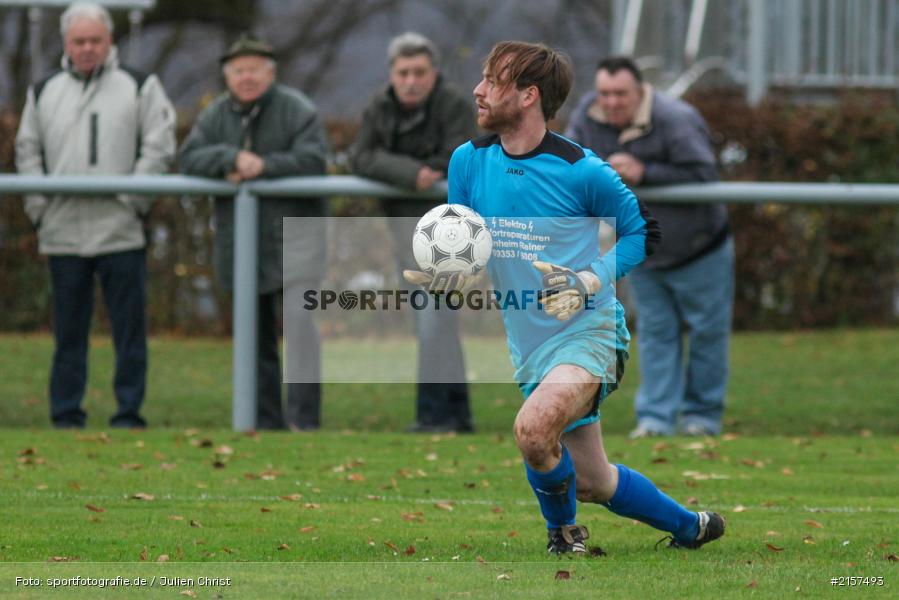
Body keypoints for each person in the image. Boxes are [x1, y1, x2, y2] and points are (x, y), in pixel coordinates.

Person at [407, 41, 725, 554]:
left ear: (529, 96)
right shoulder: (467, 162)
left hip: (589, 332)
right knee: (593, 480)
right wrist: (447, 276)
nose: (478, 90)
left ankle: (563, 538)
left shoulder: (581, 169)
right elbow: (466, 245)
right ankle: (692, 526)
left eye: (493, 81)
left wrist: (588, 282)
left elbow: (642, 231)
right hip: (529, 347)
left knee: (534, 431)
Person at [15, 2, 175, 429]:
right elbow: (27, 151)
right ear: (67, 43)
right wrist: (40, 210)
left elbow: (158, 146)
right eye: (79, 41)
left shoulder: (141, 85)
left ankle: (128, 413)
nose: (87, 48)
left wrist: (132, 202)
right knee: (68, 333)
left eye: (95, 40)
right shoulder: (44, 90)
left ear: (109, 42)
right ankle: (66, 414)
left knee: (129, 333)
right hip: (63, 233)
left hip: (121, 232)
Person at [565, 56, 733, 438]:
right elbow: (570, 167)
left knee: (708, 333)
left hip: (699, 246)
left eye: (621, 94)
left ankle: (702, 418)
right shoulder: (587, 117)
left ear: (639, 91)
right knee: (656, 332)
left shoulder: (675, 118)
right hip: (642, 248)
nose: (611, 102)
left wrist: (646, 172)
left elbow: (705, 173)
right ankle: (656, 419)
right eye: (605, 93)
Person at [179, 35, 328, 431]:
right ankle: (265, 421)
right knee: (254, 337)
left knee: (299, 335)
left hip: (295, 244)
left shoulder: (297, 109)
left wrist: (262, 166)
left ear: (271, 73)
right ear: (227, 76)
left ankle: (303, 421)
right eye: (238, 70)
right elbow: (189, 158)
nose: (246, 77)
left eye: (254, 69)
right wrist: (229, 158)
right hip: (242, 247)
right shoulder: (214, 117)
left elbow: (314, 159)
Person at [349, 32, 477, 433]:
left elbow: (462, 153)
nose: (410, 80)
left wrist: (417, 169)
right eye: (403, 72)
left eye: (419, 72)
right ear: (392, 74)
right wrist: (411, 173)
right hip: (404, 232)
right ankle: (457, 416)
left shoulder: (454, 105)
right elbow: (360, 156)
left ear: (433, 73)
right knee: (436, 326)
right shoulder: (378, 107)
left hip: (448, 234)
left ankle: (433, 416)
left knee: (434, 323)